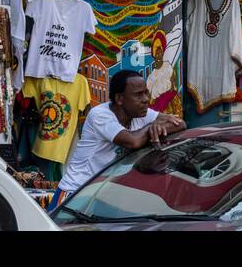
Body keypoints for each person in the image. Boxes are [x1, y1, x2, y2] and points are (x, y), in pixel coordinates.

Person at [50, 70, 186, 211]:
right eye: (138, 94)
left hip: (105, 193)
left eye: (146, 93)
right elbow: (133, 141)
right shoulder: (100, 115)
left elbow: (180, 124)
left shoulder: (140, 112)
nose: (146, 99)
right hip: (75, 193)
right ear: (120, 98)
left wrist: (157, 126)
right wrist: (152, 126)